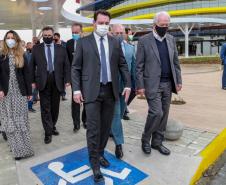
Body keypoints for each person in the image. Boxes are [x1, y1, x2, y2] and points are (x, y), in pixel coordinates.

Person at [71, 10, 131, 183]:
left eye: (106, 23)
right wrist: (76, 90)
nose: (103, 26)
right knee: (93, 129)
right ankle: (94, 163)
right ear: (94, 23)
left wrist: (127, 83)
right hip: (91, 92)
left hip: (110, 92)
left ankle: (101, 153)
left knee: (105, 129)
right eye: (101, 22)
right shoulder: (83, 42)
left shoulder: (114, 42)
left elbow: (122, 64)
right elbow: (75, 68)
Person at [136, 11, 182, 156]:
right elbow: (139, 66)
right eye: (162, 25)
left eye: (167, 25)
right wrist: (140, 85)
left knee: (164, 115)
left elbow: (175, 62)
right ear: (155, 25)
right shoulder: (144, 41)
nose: (165, 27)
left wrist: (178, 80)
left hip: (168, 83)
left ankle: (157, 142)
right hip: (152, 84)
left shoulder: (171, 39)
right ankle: (145, 139)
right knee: (156, 113)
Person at [31, 26, 71, 144]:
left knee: (55, 107)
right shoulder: (36, 49)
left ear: (53, 36)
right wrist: (32, 81)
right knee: (45, 108)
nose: (47, 37)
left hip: (57, 80)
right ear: (42, 36)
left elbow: (66, 66)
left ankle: (52, 125)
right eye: (45, 35)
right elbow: (31, 66)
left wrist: (67, 80)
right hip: (42, 81)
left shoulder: (61, 49)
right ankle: (48, 132)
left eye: (49, 35)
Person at [0, 30, 34, 160]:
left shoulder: (22, 55)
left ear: (17, 40)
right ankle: (17, 150)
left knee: (21, 121)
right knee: (11, 122)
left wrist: (29, 92)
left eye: (12, 38)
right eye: (8, 38)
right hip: (6, 94)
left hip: (19, 93)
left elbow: (27, 74)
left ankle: (25, 148)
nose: (10, 40)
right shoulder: (1, 55)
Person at [111, 24, 136, 159]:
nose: (119, 35)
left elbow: (133, 69)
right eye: (116, 33)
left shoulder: (130, 49)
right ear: (111, 33)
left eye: (121, 33)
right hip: (112, 88)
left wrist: (136, 86)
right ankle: (118, 144)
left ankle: (112, 130)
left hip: (125, 88)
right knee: (116, 115)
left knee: (119, 114)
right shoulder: (107, 48)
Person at [66, 22, 87, 132]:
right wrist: (68, 79)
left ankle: (85, 120)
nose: (74, 34)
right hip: (74, 77)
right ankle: (76, 123)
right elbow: (67, 62)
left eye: (76, 32)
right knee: (75, 101)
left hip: (87, 76)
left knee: (87, 100)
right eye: (73, 32)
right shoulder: (69, 44)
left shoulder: (87, 42)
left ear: (81, 31)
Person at [54, 32, 67, 101]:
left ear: (59, 37)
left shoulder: (65, 44)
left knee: (63, 81)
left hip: (63, 65)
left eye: (56, 38)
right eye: (54, 38)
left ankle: (63, 95)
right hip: (56, 66)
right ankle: (58, 93)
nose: (55, 39)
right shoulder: (52, 44)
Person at [24, 42, 36, 113]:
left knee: (33, 92)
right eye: (29, 46)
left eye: (32, 46)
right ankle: (29, 107)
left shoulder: (34, 54)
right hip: (28, 76)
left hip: (34, 75)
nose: (31, 47)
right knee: (30, 91)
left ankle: (30, 106)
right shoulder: (25, 54)